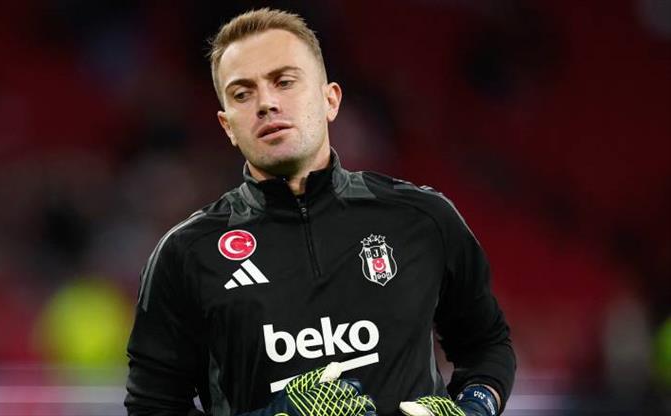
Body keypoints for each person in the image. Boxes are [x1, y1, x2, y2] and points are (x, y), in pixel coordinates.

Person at [125, 8, 515, 416]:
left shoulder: (423, 218)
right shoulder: (186, 255)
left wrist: (476, 405)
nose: (266, 103)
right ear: (227, 126)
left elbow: (486, 344)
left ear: (330, 100)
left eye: (284, 82)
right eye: (242, 94)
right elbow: (152, 407)